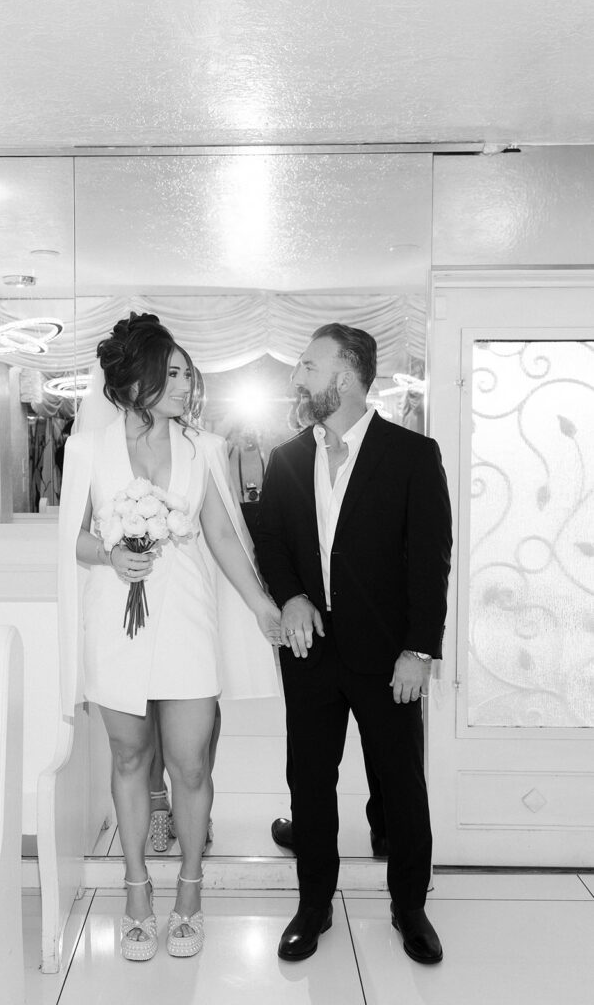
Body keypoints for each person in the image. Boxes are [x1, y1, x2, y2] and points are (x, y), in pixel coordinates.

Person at [58, 313, 281, 961]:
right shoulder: (85, 449)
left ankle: (188, 887)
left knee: (188, 764)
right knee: (130, 760)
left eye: (188, 374)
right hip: (115, 620)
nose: (186, 385)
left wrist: (261, 603)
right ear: (136, 382)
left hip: (184, 617)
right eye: (173, 373)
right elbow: (69, 538)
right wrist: (107, 556)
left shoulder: (203, 449)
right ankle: (135, 889)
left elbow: (220, 536)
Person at [255, 323, 452, 964]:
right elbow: (273, 544)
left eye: (308, 366)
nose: (297, 377)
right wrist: (290, 596)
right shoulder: (285, 458)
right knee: (309, 779)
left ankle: (409, 907)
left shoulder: (412, 456)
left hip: (389, 655)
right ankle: (314, 906)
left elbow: (430, 560)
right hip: (310, 650)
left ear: (345, 375)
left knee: (400, 783)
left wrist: (419, 650)